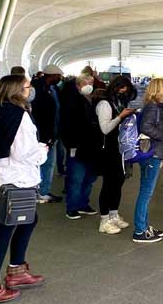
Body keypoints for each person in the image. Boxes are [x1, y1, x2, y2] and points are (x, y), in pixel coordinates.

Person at [0, 75, 47, 304]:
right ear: (17, 90)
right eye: (27, 86)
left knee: (28, 220)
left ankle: (16, 270)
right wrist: (42, 150)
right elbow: (24, 152)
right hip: (11, 176)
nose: (30, 89)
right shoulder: (19, 114)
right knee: (6, 229)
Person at [133, 78, 163, 243]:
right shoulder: (153, 108)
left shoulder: (153, 106)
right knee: (146, 193)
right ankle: (140, 230)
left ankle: (144, 226)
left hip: (151, 153)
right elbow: (146, 127)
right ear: (160, 90)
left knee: (146, 191)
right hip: (151, 154)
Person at [95, 76, 136, 235]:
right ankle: (104, 220)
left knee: (118, 182)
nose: (123, 93)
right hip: (108, 151)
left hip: (120, 150)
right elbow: (105, 128)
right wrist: (121, 116)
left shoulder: (120, 103)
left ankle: (113, 214)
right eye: (121, 90)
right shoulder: (105, 104)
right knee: (108, 184)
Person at [60, 74, 100, 220]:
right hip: (77, 146)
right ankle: (72, 207)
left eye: (91, 82)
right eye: (85, 83)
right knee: (76, 178)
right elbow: (66, 124)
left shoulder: (92, 100)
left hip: (91, 147)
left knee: (89, 178)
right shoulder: (72, 101)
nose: (89, 85)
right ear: (78, 85)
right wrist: (71, 144)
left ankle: (83, 204)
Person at [31, 64, 64, 203]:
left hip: (53, 132)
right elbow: (41, 114)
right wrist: (46, 135)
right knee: (43, 163)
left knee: (49, 163)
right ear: (52, 75)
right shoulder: (38, 90)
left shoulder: (53, 88)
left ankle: (43, 190)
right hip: (44, 133)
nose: (60, 78)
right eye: (58, 76)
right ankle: (40, 192)